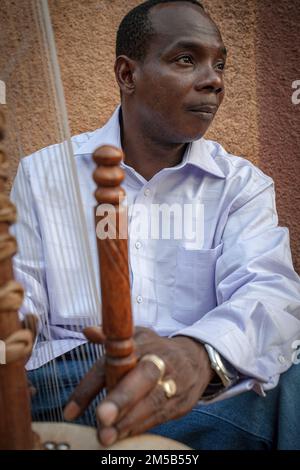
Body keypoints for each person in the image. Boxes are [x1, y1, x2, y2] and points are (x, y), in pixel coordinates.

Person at [11, 0, 300, 449]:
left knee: (289, 383)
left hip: (202, 388)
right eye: (187, 59)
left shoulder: (241, 185)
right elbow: (19, 293)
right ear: (127, 75)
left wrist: (195, 355)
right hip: (72, 380)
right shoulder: (44, 173)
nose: (214, 81)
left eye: (219, 64)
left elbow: (269, 293)